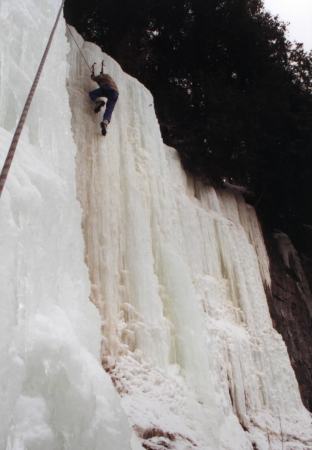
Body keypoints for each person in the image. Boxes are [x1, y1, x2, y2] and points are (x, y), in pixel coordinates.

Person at [89, 65, 119, 136]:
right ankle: (105, 122)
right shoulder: (110, 79)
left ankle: (98, 102)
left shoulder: (104, 76)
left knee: (92, 94)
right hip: (115, 93)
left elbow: (98, 78)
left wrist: (93, 77)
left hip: (107, 88)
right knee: (109, 109)